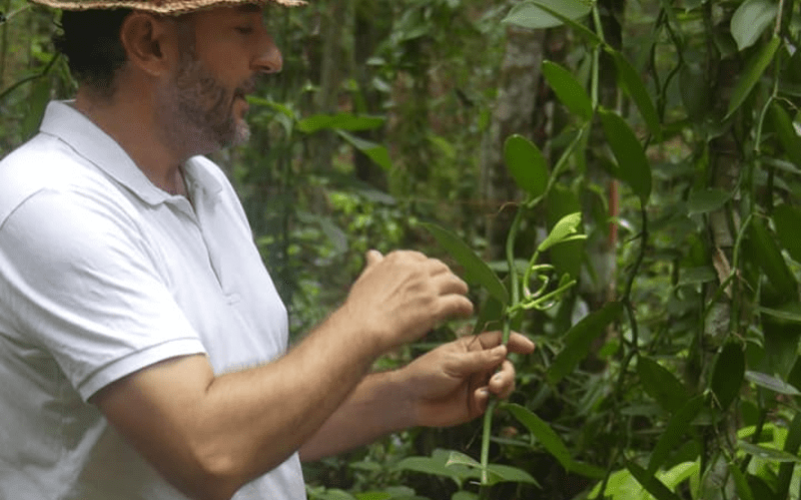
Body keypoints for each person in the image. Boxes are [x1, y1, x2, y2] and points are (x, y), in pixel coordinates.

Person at [0, 0, 535, 499]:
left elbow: (256, 429)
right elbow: (209, 451)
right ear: (149, 44)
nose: (272, 56)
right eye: (243, 28)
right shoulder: (49, 203)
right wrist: (365, 323)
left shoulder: (204, 184)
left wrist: (405, 394)